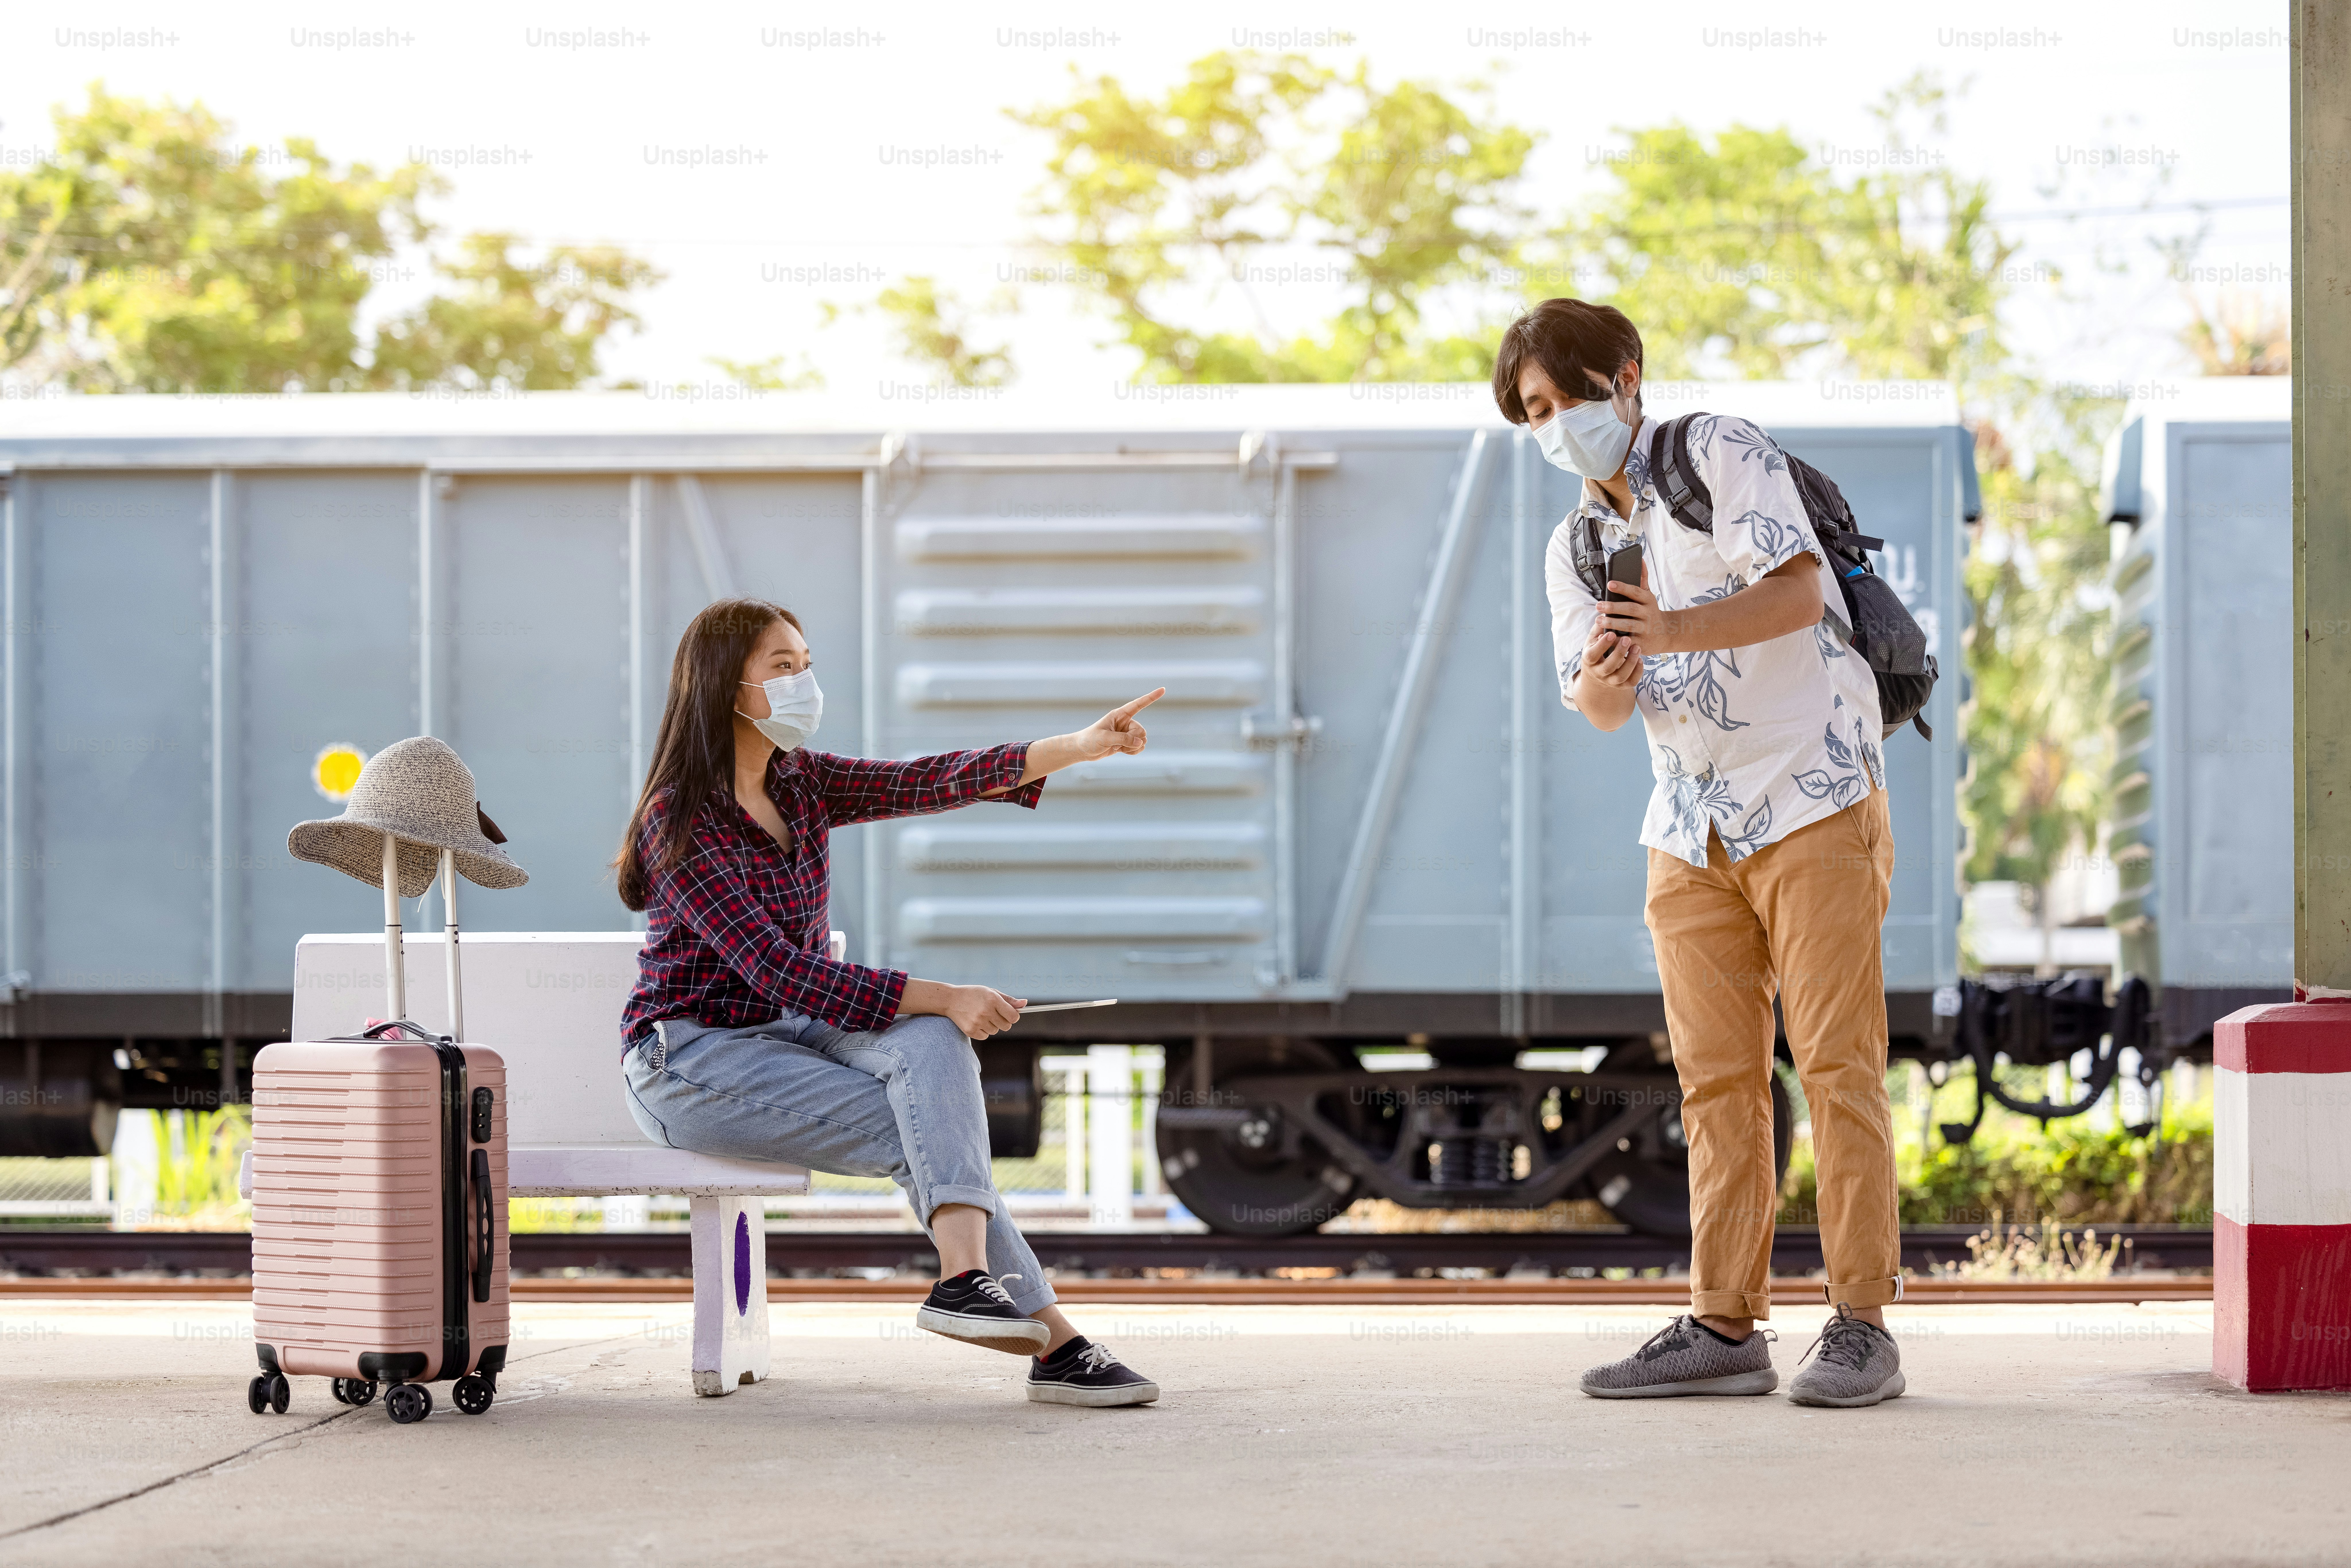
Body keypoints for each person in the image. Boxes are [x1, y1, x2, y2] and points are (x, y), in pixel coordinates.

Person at [1493, 298, 1906, 1408]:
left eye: (1569, 396)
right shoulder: (1573, 544)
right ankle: (1726, 1324)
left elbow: (1798, 590)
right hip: (1688, 826)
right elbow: (1591, 706)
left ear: (1625, 377)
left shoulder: (1717, 452)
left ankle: (1863, 1323)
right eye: (1534, 411)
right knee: (1716, 1081)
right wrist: (1602, 683)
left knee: (1836, 1066)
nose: (1556, 423)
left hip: (1810, 791)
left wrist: (1666, 632)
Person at [614, 597, 1165, 1408]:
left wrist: (1076, 749)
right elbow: (776, 971)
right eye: (784, 668)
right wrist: (946, 993)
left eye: (808, 665)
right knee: (932, 1123)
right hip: (692, 1060)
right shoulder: (682, 820)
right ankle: (1056, 1344)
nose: (806, 682)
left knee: (937, 1053)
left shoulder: (800, 782)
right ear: (727, 687)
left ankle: (965, 1283)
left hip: (791, 1036)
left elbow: (925, 779)